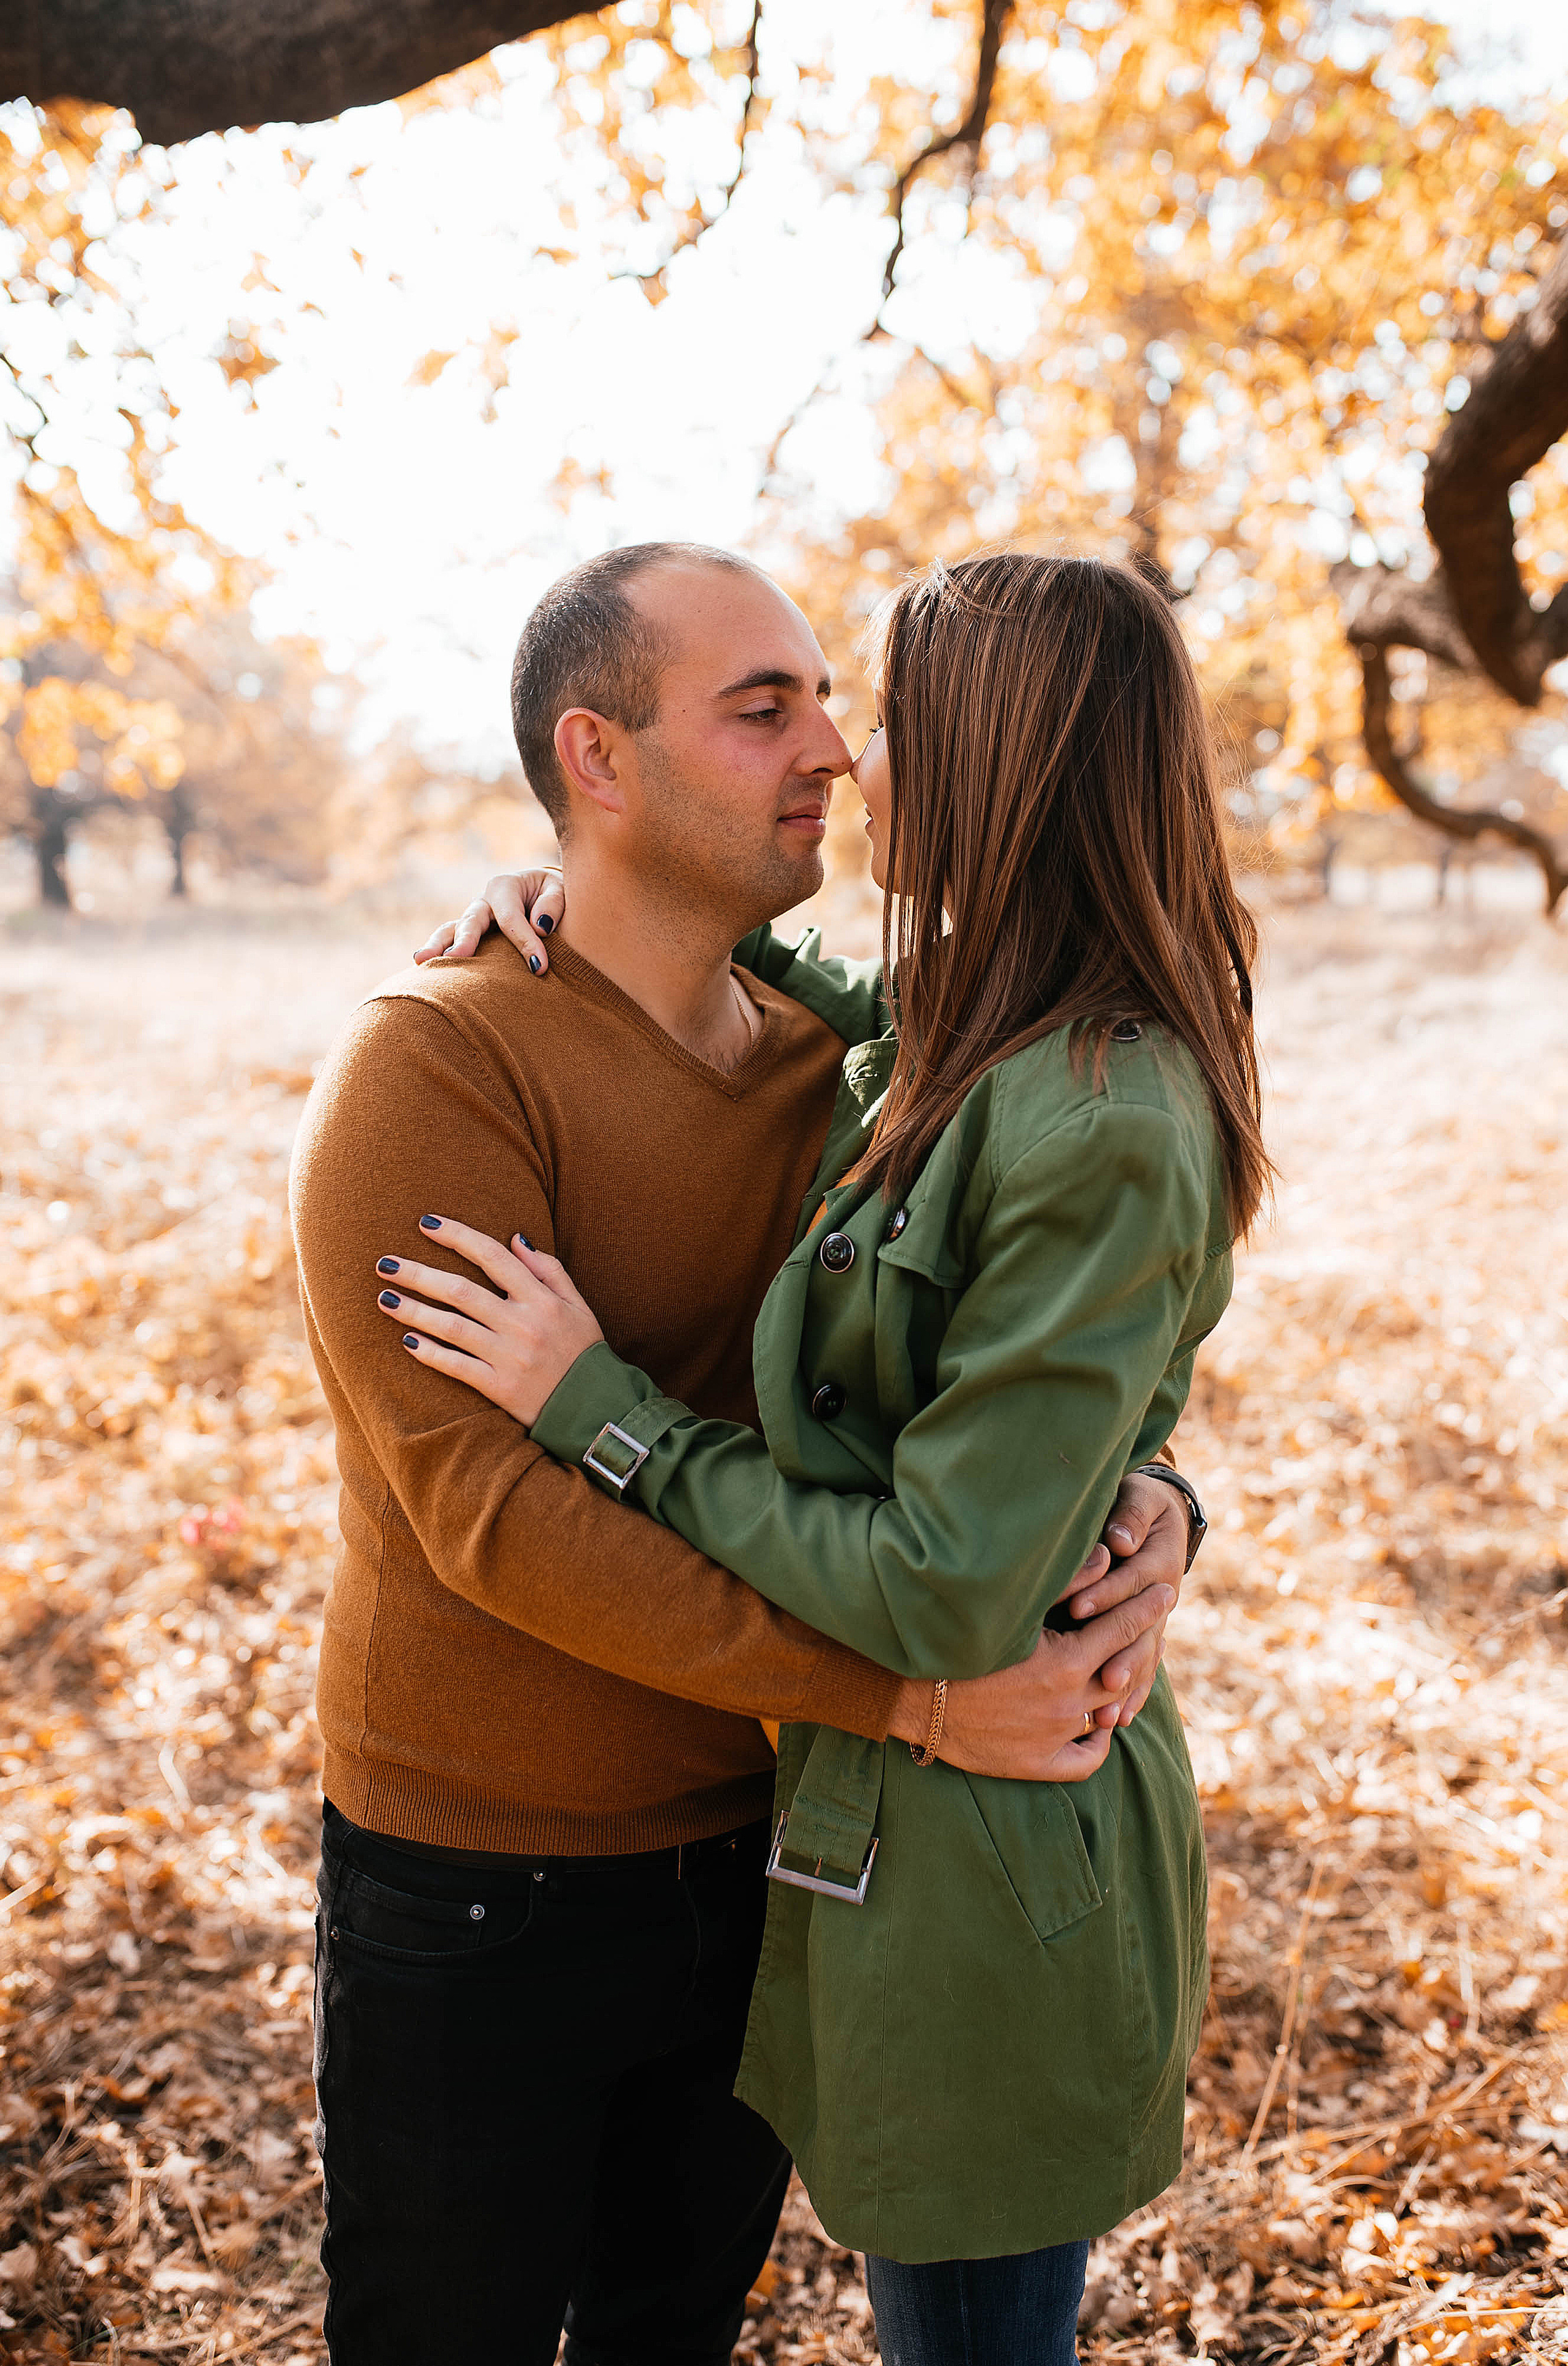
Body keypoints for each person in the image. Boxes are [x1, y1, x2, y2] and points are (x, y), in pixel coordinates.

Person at [288, 542, 1199, 2366]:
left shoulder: (847, 1060)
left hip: (761, 1846)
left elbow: (1023, 1350)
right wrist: (913, 1706)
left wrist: (1159, 1498)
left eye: (837, 700)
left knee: (673, 2326)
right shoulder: (434, 1067)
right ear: (599, 761)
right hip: (484, 1880)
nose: (841, 752)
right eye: (764, 706)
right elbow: (492, 1519)